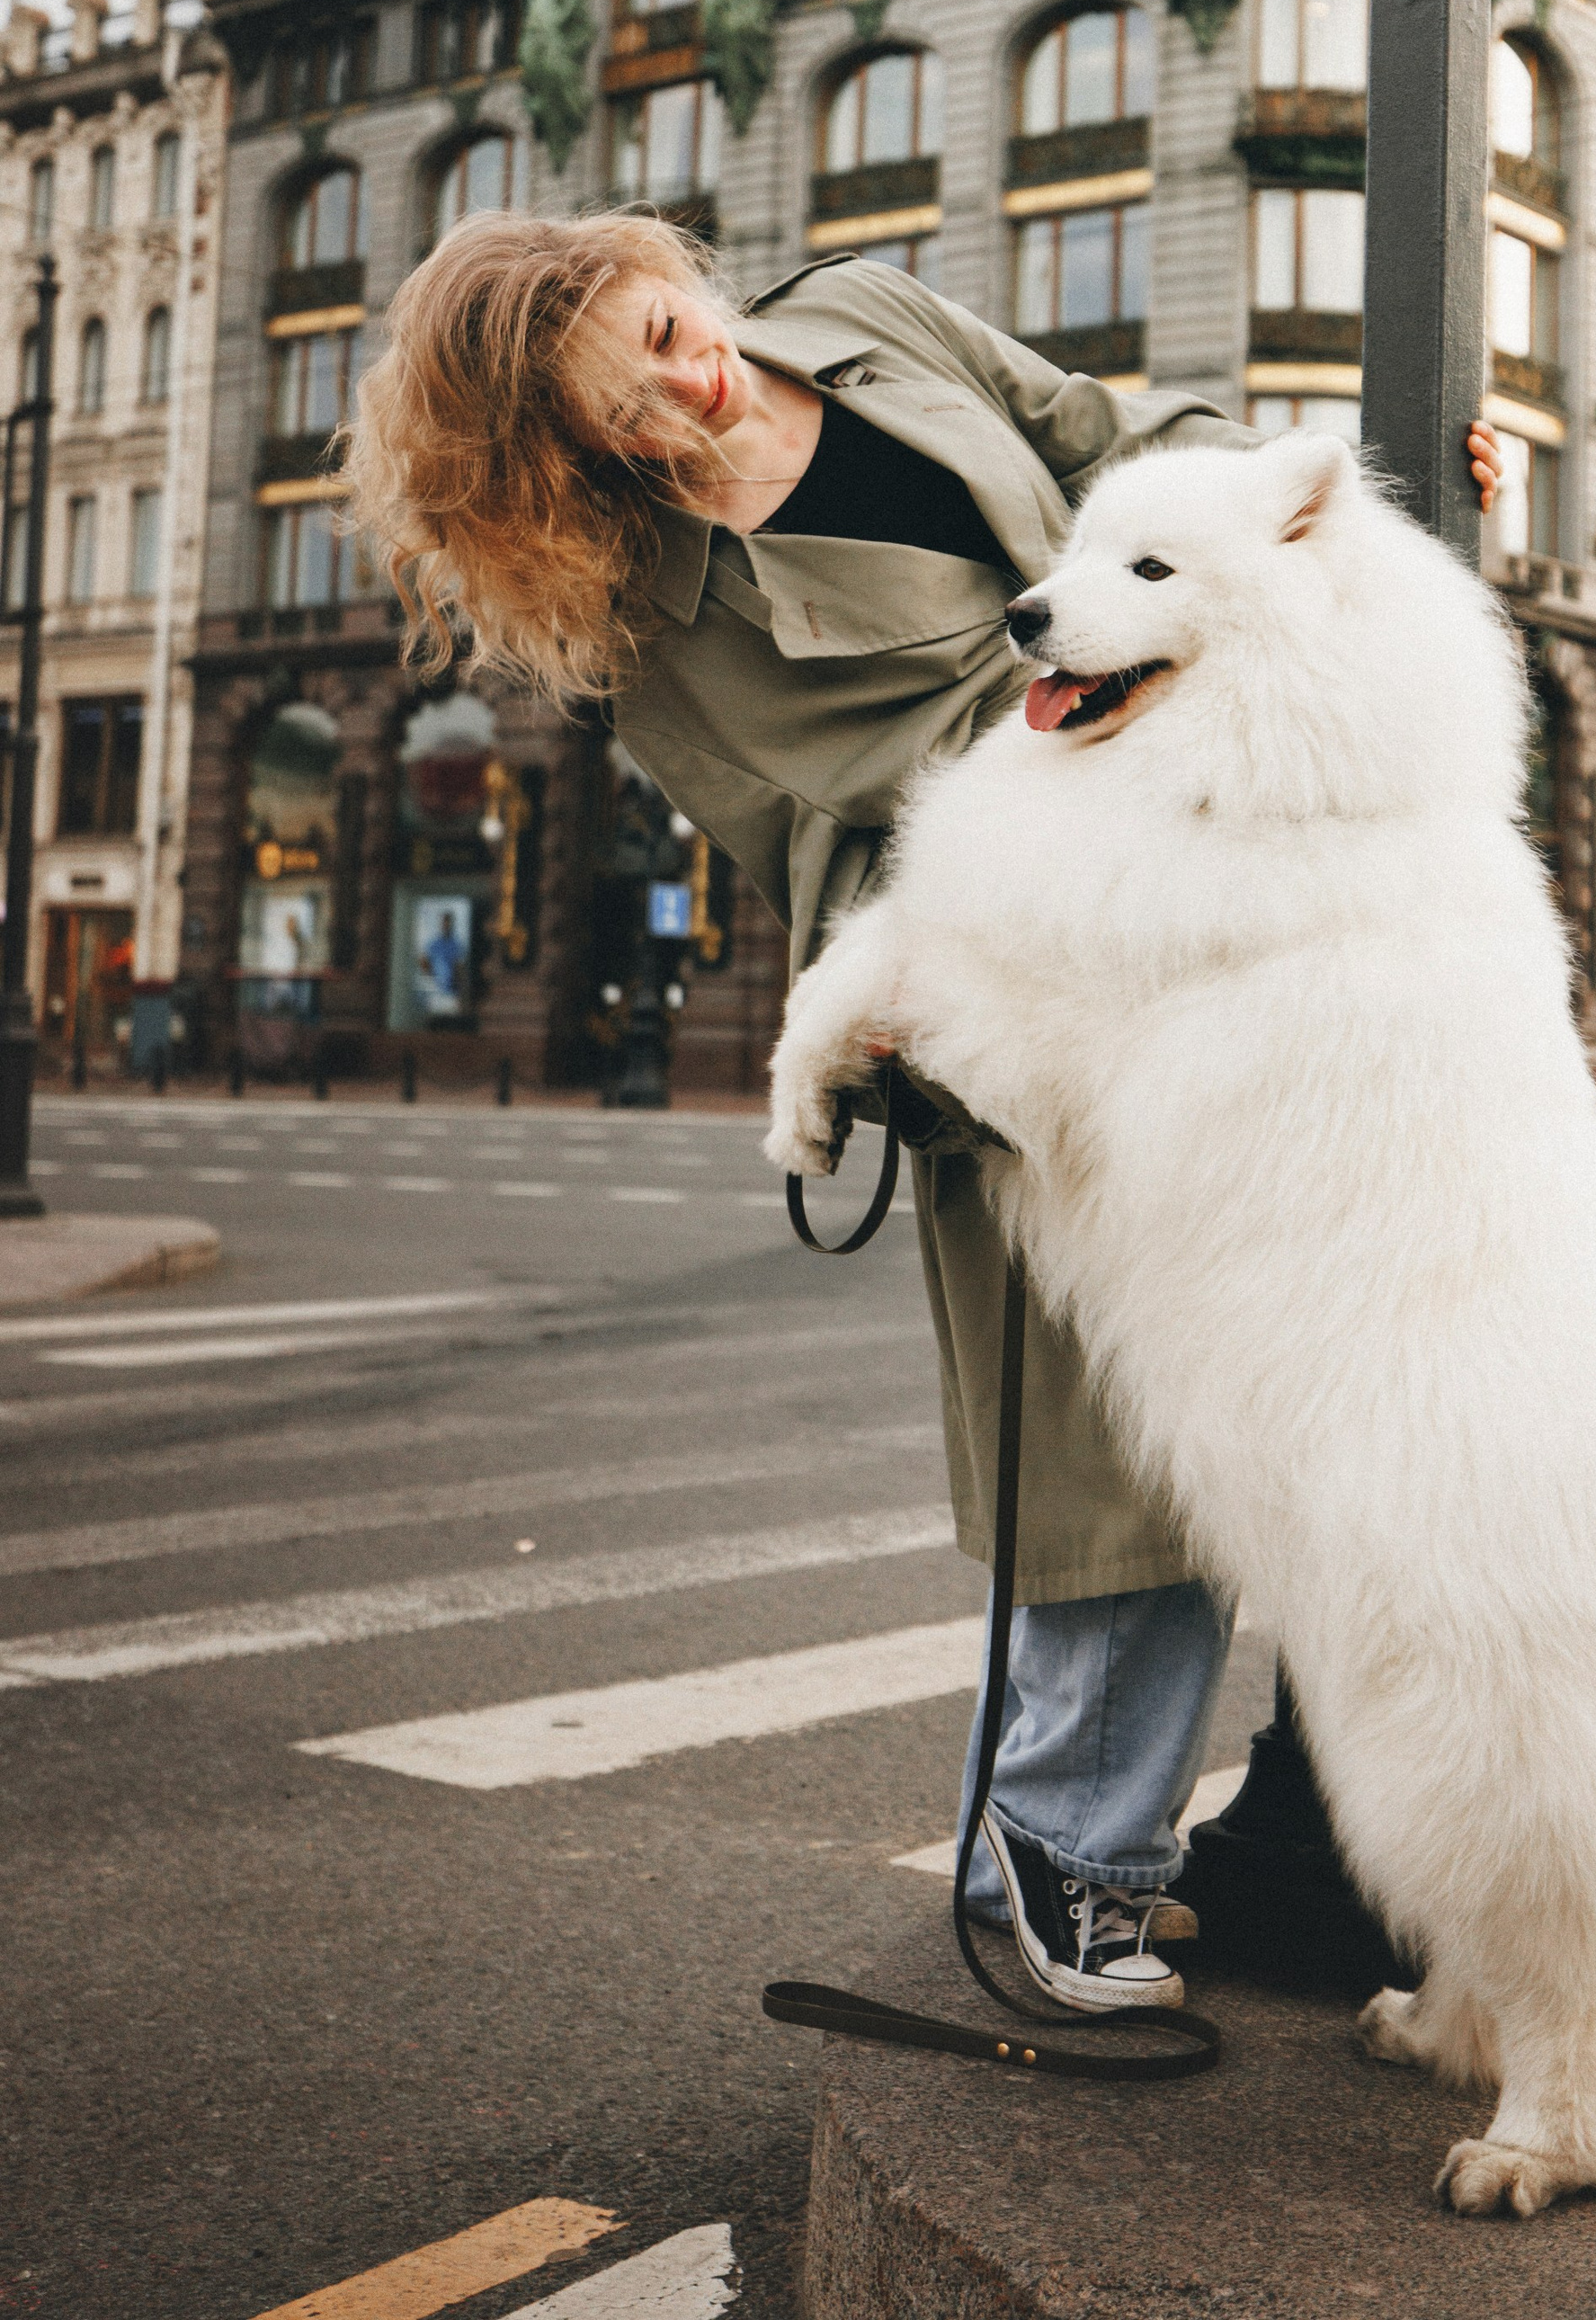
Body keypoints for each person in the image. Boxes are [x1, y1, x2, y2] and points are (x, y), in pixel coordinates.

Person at [345, 208, 1501, 2009]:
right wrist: (1008, 862)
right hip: (1039, 954)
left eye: (670, 324)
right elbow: (822, 826)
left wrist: (1323, 515)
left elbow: (1102, 432)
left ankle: (1299, 1826)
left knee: (1325, 1394)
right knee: (1103, 1452)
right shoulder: (653, 618)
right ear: (563, 453)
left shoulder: (855, 311)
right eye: (628, 398)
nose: (692, 377)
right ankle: (1065, 1852)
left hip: (1236, 870)